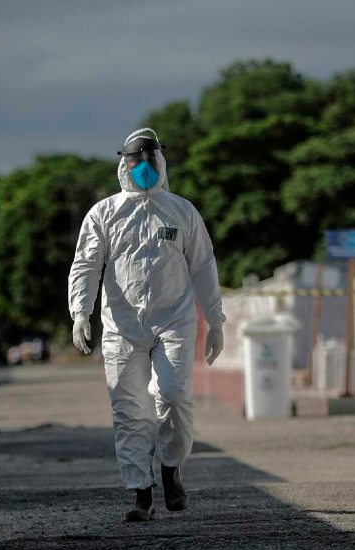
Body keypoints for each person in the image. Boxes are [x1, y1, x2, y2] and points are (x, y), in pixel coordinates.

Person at [67, 128, 226, 522]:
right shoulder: (104, 213)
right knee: (129, 408)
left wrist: (217, 319)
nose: (144, 167)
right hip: (122, 326)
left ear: (161, 161)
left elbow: (204, 266)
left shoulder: (181, 211)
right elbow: (86, 263)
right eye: (136, 160)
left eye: (151, 159)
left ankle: (171, 468)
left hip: (174, 320)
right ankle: (141, 492)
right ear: (124, 164)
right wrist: (80, 312)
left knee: (172, 395)